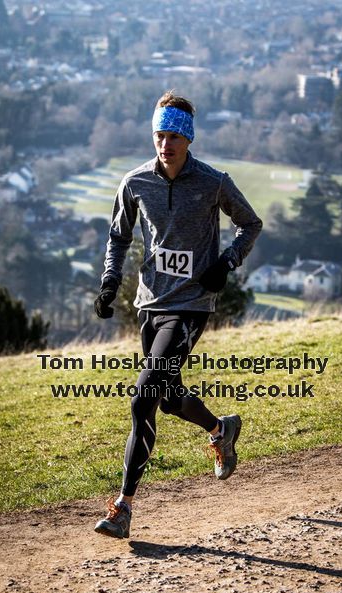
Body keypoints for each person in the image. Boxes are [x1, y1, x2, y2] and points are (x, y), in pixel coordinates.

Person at [93, 91, 263, 539]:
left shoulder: (213, 182)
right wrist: (110, 282)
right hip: (151, 303)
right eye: (159, 134)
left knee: (143, 397)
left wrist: (226, 263)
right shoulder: (135, 183)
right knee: (167, 398)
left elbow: (251, 223)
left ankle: (123, 506)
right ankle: (220, 428)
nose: (164, 144)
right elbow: (118, 237)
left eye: (173, 136)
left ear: (188, 139)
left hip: (190, 306)